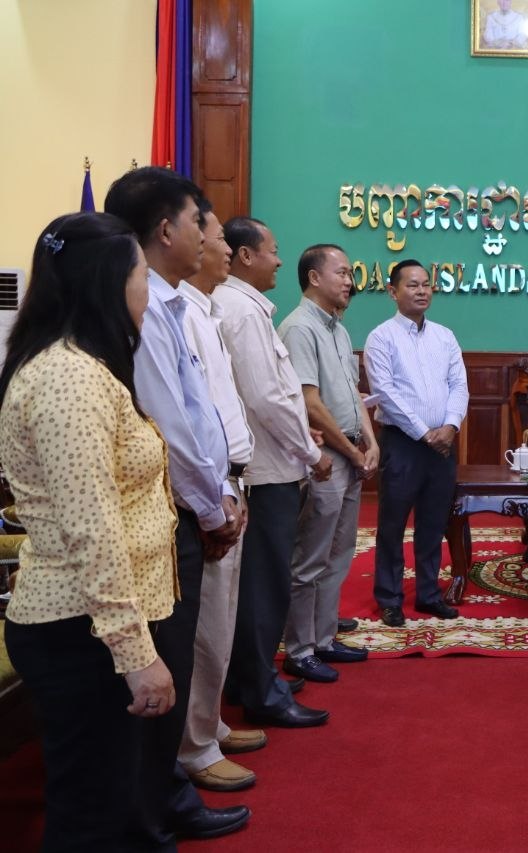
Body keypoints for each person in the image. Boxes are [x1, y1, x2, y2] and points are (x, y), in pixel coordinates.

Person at [0, 213, 183, 849]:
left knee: (111, 802)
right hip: (80, 630)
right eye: (142, 276)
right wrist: (136, 655)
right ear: (109, 282)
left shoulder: (85, 367)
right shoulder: (68, 378)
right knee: (90, 817)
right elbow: (92, 530)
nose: (148, 293)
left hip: (96, 625)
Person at [104, 166, 250, 841]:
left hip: (196, 505)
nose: (205, 235)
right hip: (171, 518)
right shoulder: (145, 311)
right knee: (169, 663)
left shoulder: (172, 305)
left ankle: (167, 796)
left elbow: (202, 416)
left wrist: (221, 492)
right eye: (198, 222)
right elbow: (171, 428)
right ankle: (158, 806)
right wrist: (213, 507)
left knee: (185, 655)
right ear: (166, 230)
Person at [214, 216, 331, 729]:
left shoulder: (241, 306)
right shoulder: (242, 311)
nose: (280, 260)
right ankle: (260, 690)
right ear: (246, 256)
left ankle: (250, 676)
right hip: (267, 471)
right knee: (265, 588)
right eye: (273, 249)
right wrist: (309, 450)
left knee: (257, 585)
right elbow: (267, 398)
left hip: (268, 464)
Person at [175, 200, 259, 792]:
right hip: (208, 490)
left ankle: (209, 723)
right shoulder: (177, 313)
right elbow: (184, 421)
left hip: (228, 480)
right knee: (204, 622)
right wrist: (214, 499)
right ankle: (194, 745)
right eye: (215, 234)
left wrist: (233, 482)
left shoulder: (206, 310)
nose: (226, 247)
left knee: (221, 618)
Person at [279, 243, 378, 680]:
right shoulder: (299, 328)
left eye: (350, 273)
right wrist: (353, 452)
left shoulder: (337, 329)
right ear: (314, 278)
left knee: (339, 553)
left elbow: (353, 396)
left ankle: (324, 638)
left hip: (351, 453)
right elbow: (310, 403)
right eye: (342, 272)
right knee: (310, 558)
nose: (350, 281)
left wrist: (371, 442)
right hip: (326, 458)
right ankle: (299, 650)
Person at [364, 259, 469, 627]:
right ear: (393, 292)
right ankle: (390, 598)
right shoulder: (381, 337)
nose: (422, 291)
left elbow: (459, 385)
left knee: (433, 523)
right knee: (392, 525)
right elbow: (385, 393)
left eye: (426, 284)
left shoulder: (445, 336)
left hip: (444, 443)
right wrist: (425, 433)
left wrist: (451, 425)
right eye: (412, 285)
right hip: (403, 443)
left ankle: (428, 594)